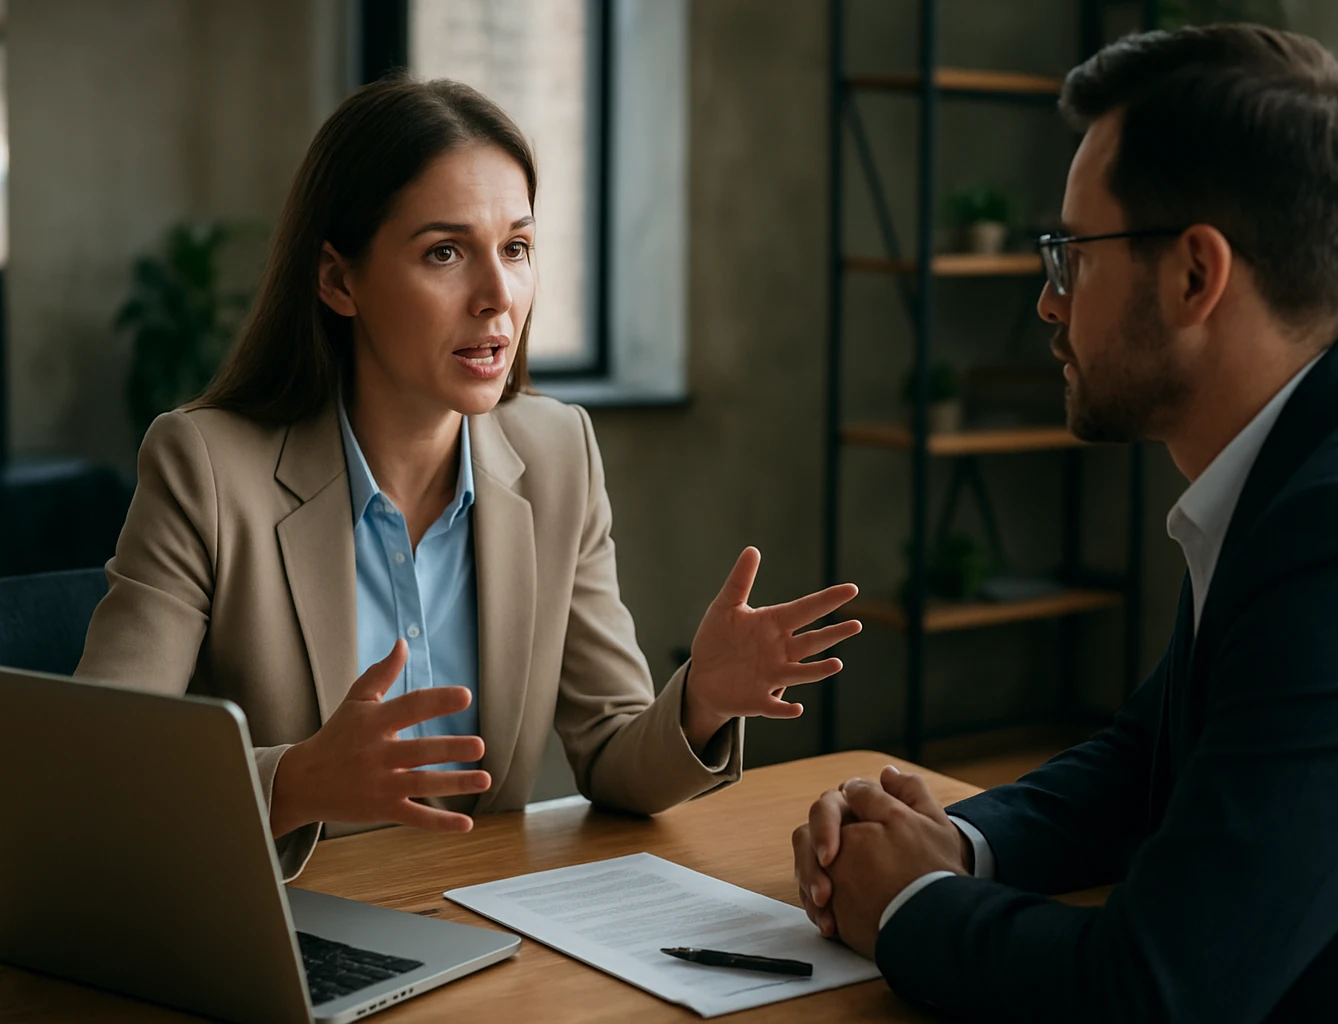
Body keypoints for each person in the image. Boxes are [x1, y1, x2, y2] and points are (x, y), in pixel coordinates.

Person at [792, 24, 1338, 1021]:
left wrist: (909, 903)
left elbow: (1154, 993)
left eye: (1071, 254)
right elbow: (1150, 760)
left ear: (1196, 276)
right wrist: (946, 839)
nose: (1048, 305)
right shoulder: (1326, 457)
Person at [78, 76, 862, 881]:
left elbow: (614, 752)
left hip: (487, 926)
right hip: (285, 929)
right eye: (445, 253)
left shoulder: (559, 452)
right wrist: (297, 781)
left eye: (516, 248)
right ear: (338, 281)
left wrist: (701, 700)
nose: (498, 298)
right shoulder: (204, 468)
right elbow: (101, 772)